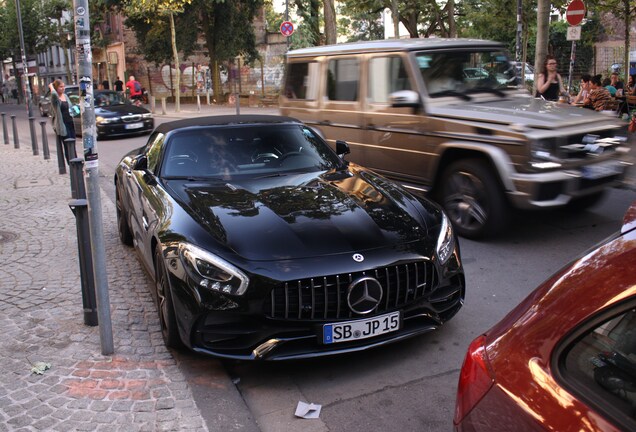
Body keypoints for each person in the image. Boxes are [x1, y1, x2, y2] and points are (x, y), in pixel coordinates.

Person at [49, 79, 76, 164]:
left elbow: (71, 107)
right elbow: (53, 94)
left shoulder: (65, 96)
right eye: (61, 86)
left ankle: (76, 164)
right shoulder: (55, 99)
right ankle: (71, 164)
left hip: (70, 123)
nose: (63, 88)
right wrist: (51, 86)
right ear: (56, 88)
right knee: (68, 145)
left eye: (63, 86)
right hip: (63, 125)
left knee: (73, 145)